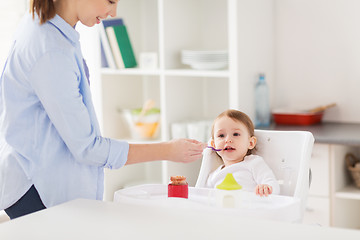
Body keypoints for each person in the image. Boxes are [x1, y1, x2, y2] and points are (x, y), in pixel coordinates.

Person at [0, 0, 205, 219]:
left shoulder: (47, 27)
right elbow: (88, 148)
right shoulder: (51, 50)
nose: (113, 12)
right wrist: (168, 151)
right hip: (38, 189)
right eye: (110, 1)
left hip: (33, 175)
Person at [206, 109, 280, 196]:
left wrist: (266, 187)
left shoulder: (253, 163)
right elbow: (202, 198)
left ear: (250, 143)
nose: (228, 140)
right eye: (221, 135)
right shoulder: (213, 176)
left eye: (236, 134)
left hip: (251, 208)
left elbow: (273, 185)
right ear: (213, 145)